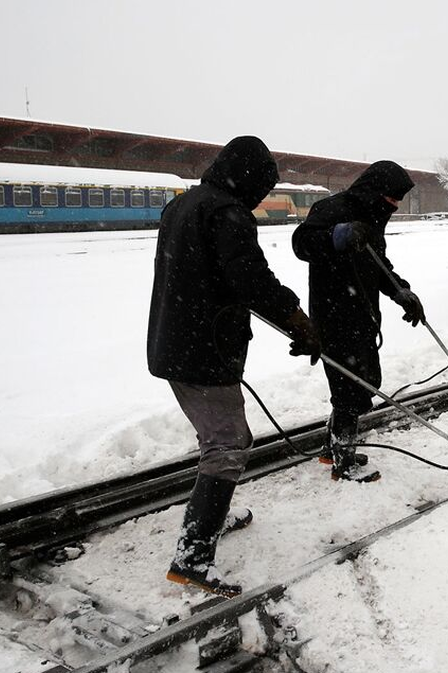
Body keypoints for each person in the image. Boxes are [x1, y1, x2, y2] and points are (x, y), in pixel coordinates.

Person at [147, 135, 320, 597]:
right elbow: (251, 279)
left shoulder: (183, 206)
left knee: (223, 439)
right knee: (227, 446)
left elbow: (211, 274)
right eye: (262, 186)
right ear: (247, 178)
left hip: (171, 344)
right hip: (204, 349)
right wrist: (297, 320)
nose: (262, 197)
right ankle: (193, 559)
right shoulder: (227, 212)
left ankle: (213, 519)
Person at [291, 161, 424, 482]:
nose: (395, 205)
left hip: (363, 315)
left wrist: (400, 291)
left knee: (361, 383)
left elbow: (377, 264)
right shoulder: (332, 208)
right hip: (333, 316)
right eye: (392, 197)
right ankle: (343, 462)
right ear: (376, 190)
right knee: (351, 390)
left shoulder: (373, 216)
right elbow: (301, 243)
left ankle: (330, 448)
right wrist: (339, 235)